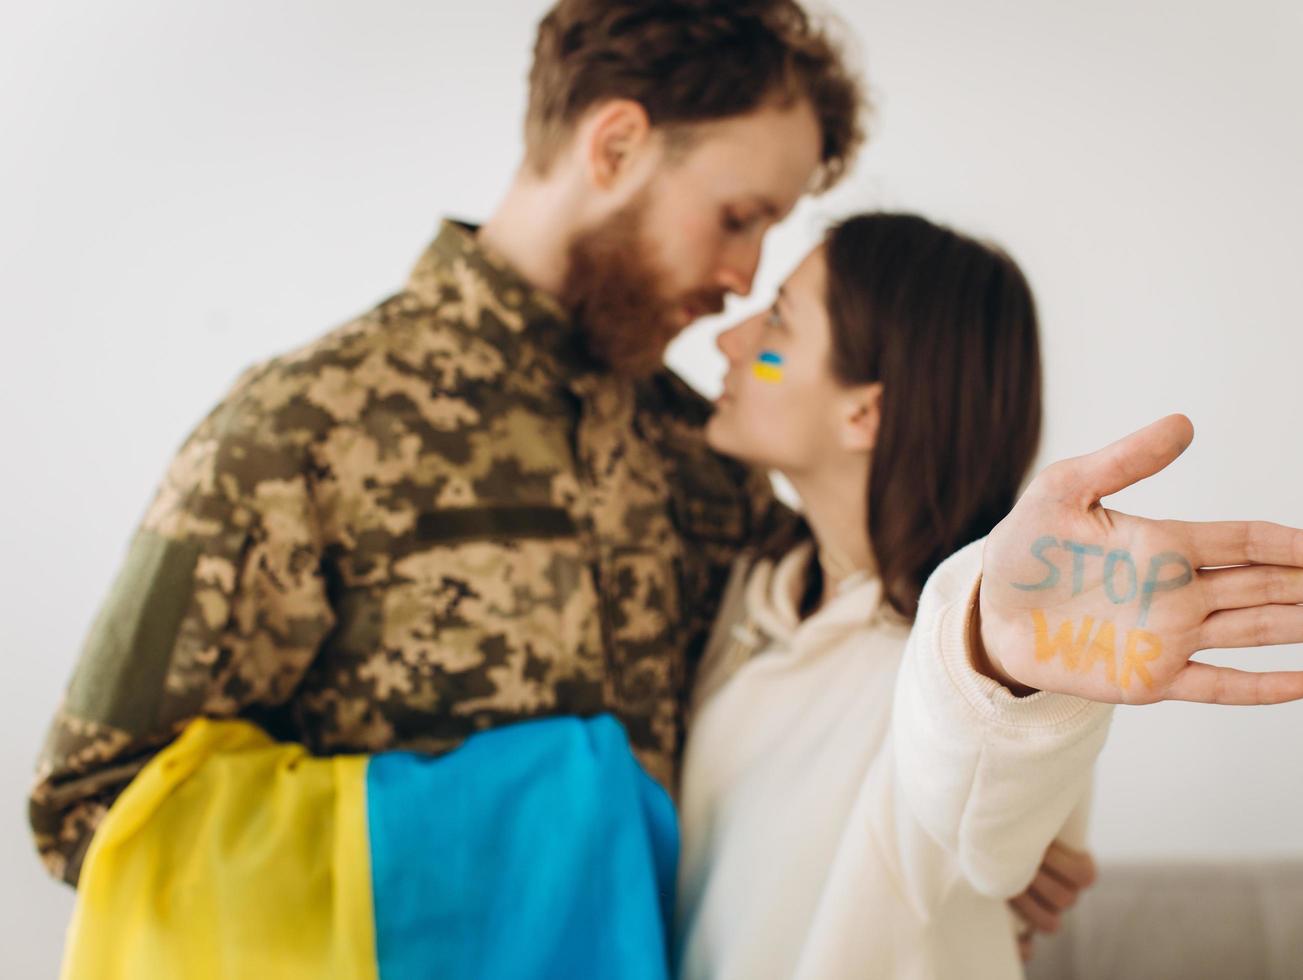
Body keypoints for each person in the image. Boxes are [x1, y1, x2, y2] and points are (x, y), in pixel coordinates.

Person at [30, 0, 863, 886]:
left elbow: (839, 674)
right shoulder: (305, 430)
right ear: (615, 147)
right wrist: (452, 855)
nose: (745, 280)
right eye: (738, 218)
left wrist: (962, 805)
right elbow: (93, 805)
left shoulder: (704, 450)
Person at [674, 212, 1303, 978]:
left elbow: (984, 812)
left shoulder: (961, 662)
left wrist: (997, 660)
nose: (732, 340)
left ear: (866, 411)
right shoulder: (759, 596)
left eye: (779, 320)